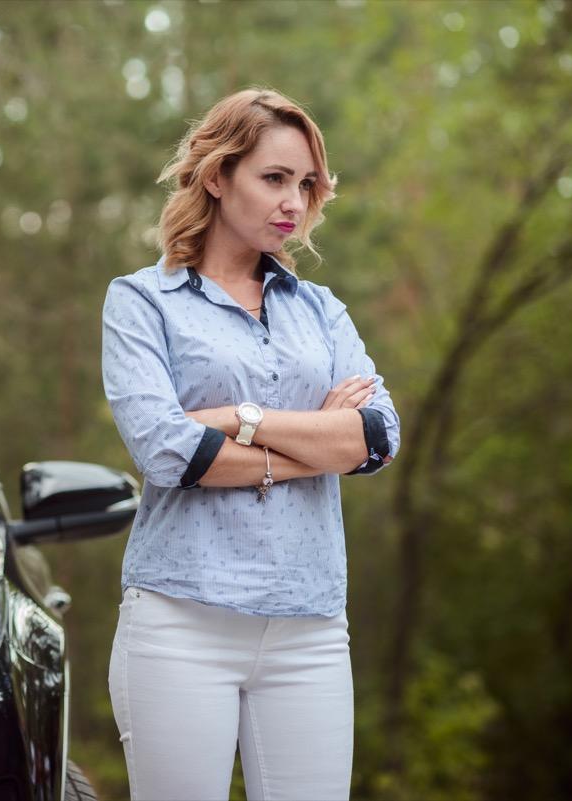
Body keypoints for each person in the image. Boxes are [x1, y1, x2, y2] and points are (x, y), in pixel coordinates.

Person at [102, 87, 400, 801]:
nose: (294, 201)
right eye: (274, 178)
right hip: (180, 622)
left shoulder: (322, 311)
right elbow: (171, 452)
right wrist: (314, 445)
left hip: (312, 627)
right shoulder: (141, 302)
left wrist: (240, 417)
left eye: (306, 183)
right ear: (215, 176)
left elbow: (376, 437)